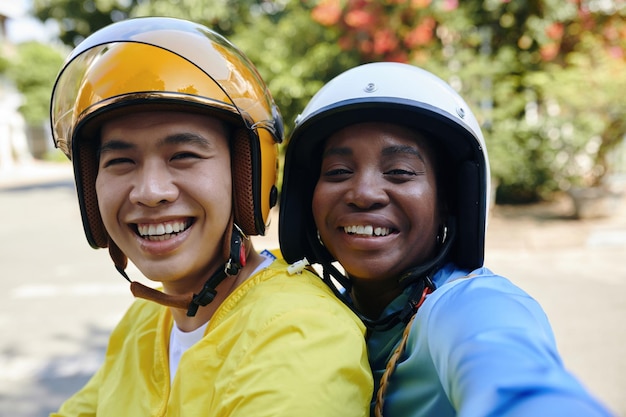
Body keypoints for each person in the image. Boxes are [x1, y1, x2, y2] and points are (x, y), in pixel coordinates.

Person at [48, 17, 372, 416]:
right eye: (120, 161)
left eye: (183, 156)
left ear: (246, 178)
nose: (150, 192)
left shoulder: (301, 332)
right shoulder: (147, 319)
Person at [279, 62, 614, 417]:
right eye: (338, 172)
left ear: (448, 202)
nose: (364, 193)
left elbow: (515, 381)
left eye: (400, 172)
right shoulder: (311, 311)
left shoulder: (470, 305)